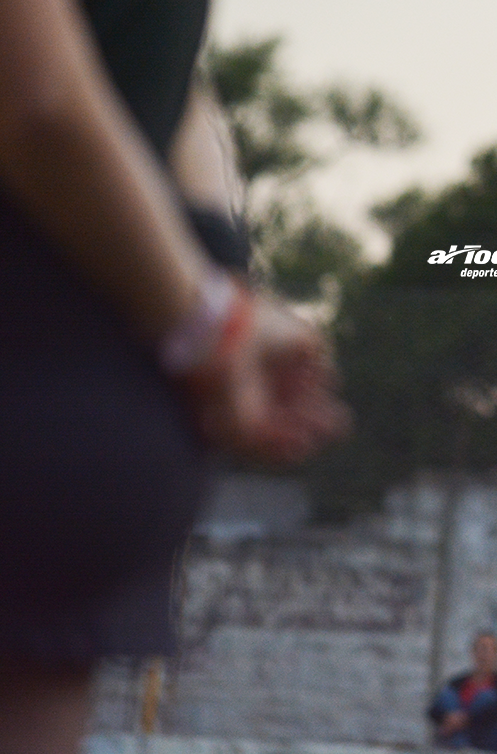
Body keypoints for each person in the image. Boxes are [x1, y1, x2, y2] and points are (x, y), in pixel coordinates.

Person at [0, 1, 349, 752]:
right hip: (85, 417)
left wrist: (213, 320)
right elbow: (151, 91)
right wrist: (217, 296)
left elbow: (41, 95)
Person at [428, 631, 497, 751]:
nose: (483, 654)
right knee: (447, 695)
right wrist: (449, 719)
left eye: (487, 649)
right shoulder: (458, 682)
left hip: (484, 737)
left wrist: (465, 719)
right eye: (479, 649)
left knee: (487, 697)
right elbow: (433, 710)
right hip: (456, 733)